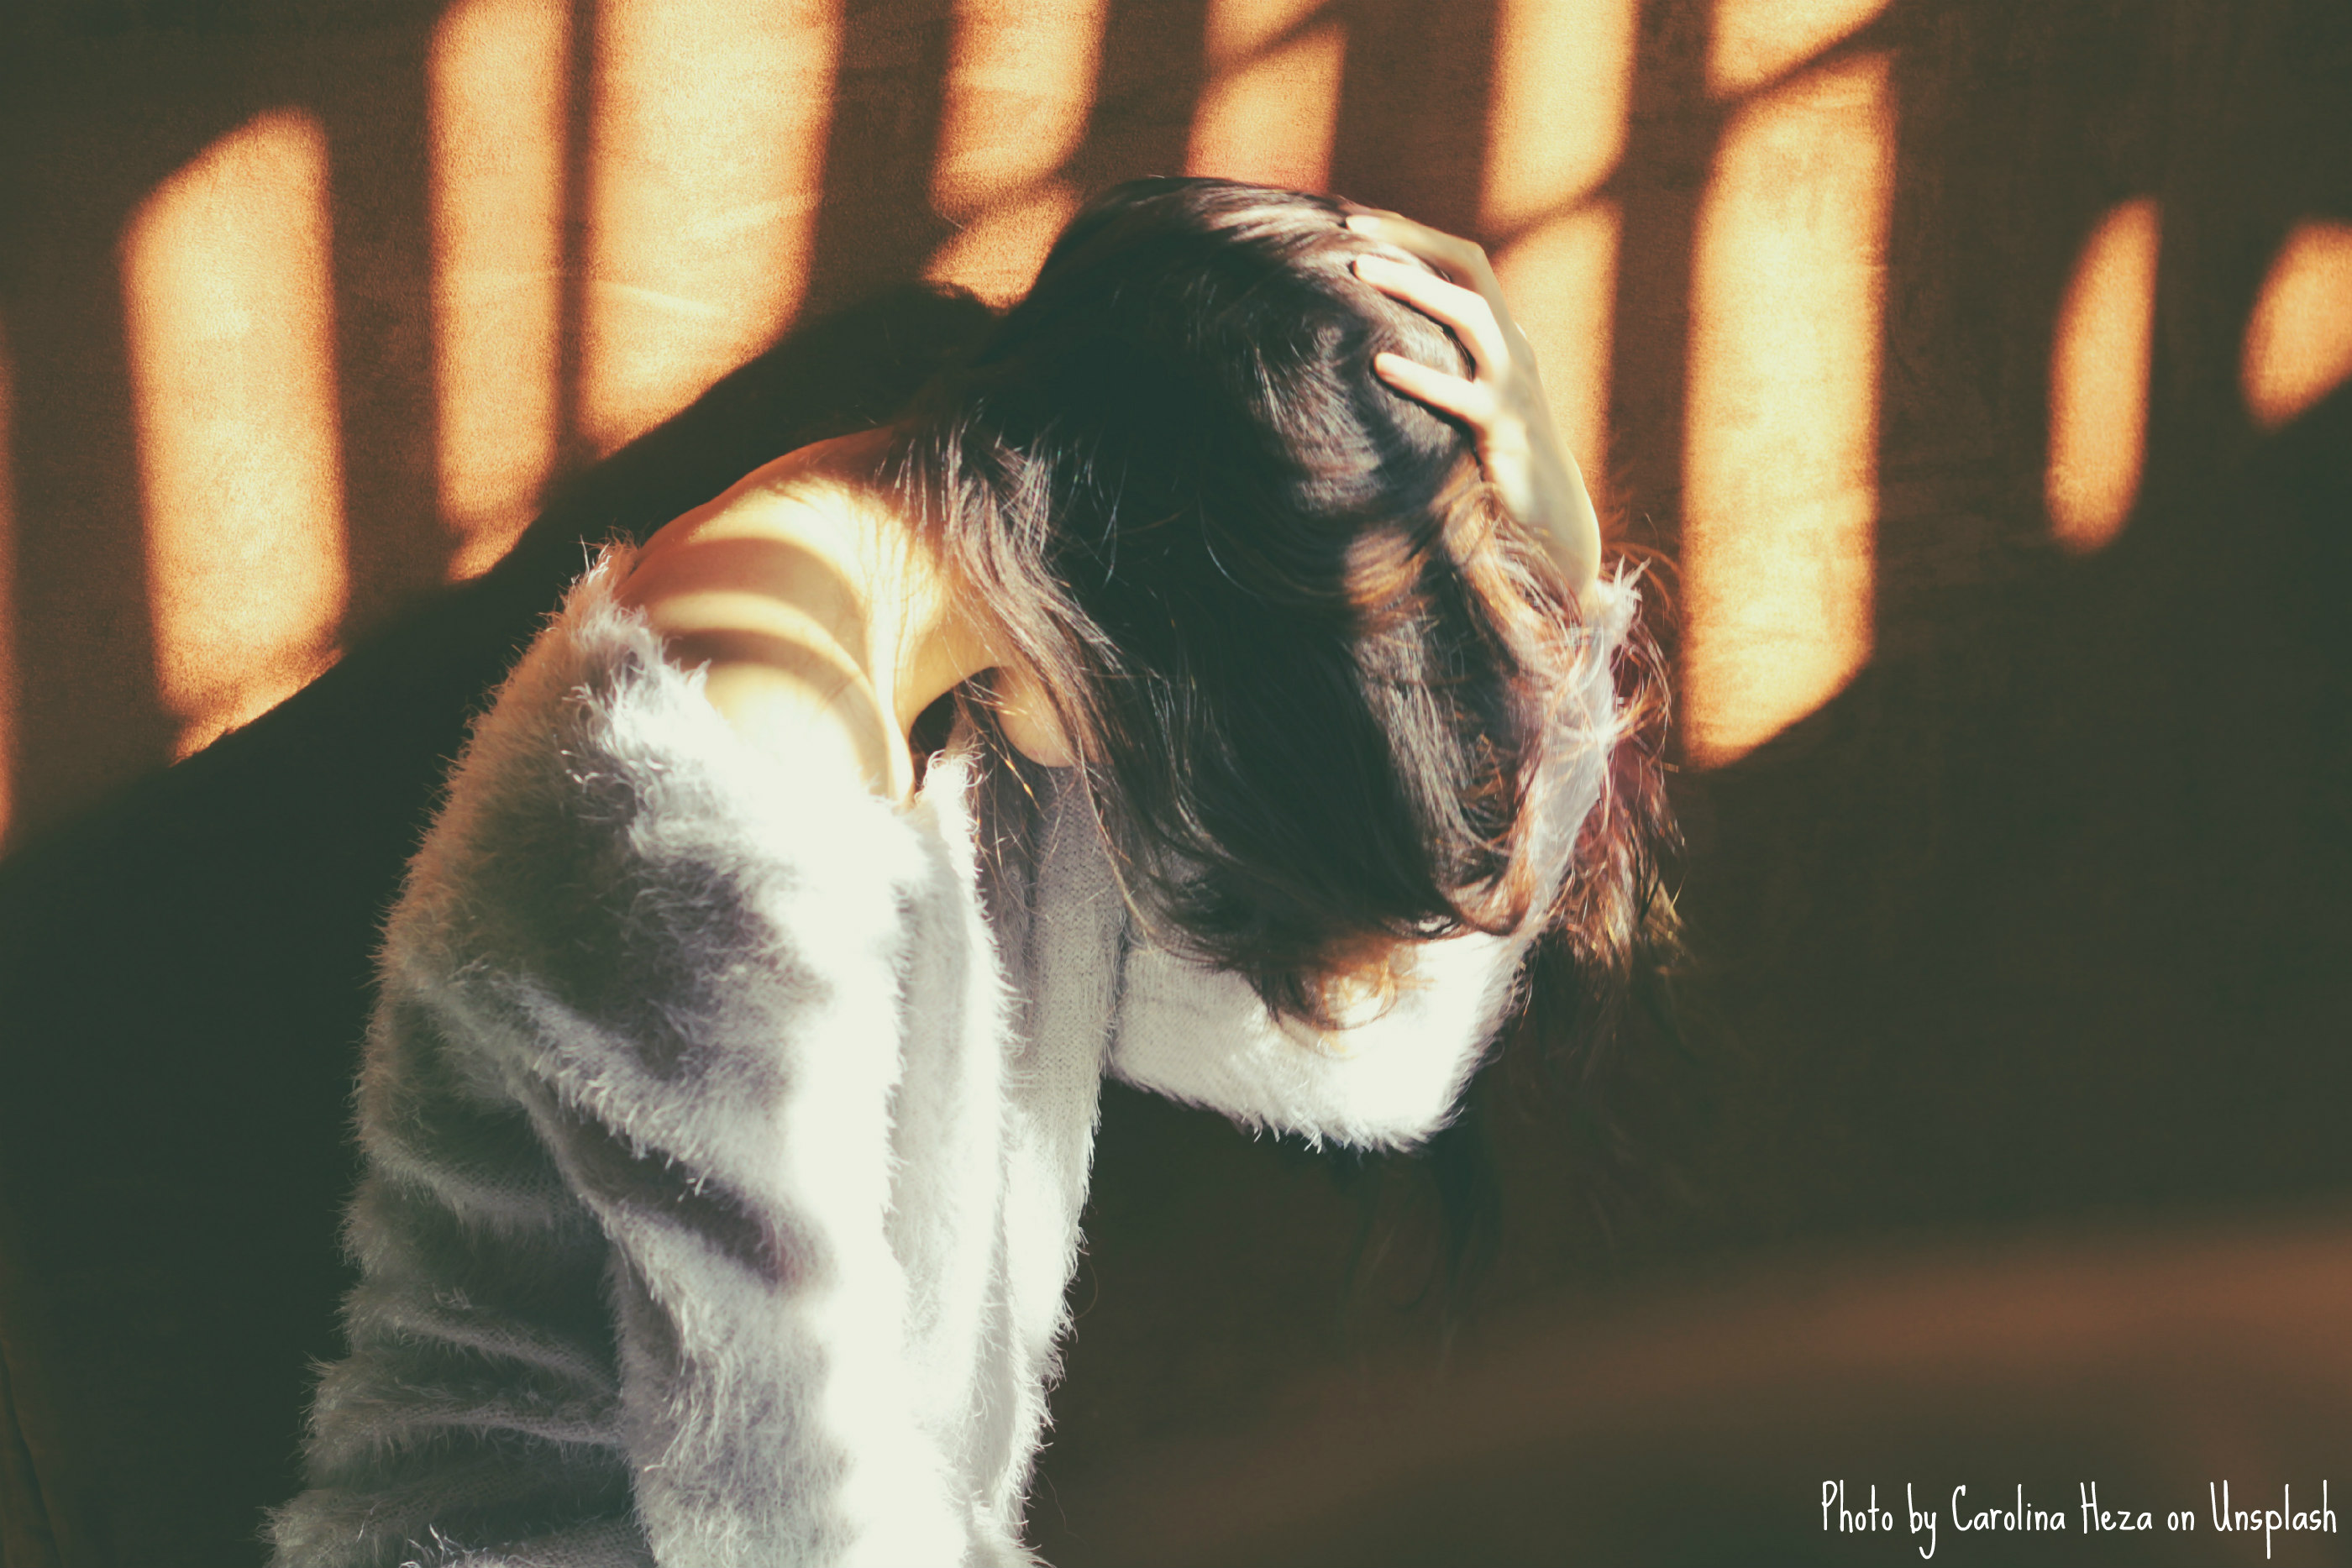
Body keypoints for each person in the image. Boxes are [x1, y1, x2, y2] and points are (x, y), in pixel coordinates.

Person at [265, 177, 1669, 1568]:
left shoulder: (1015, 598)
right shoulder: (726, 765)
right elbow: (782, 1517)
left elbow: (1348, 1053)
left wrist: (1557, 562)